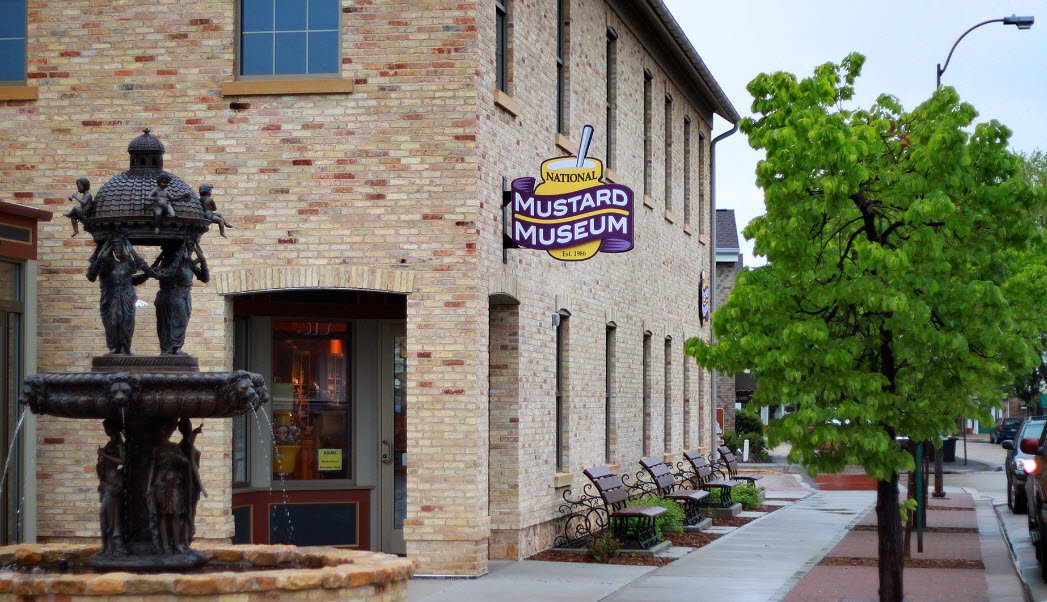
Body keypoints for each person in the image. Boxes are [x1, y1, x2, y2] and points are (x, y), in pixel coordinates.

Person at [86, 236, 149, 354]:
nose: (118, 250)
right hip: (113, 298)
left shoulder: (127, 264)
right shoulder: (109, 265)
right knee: (114, 321)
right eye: (115, 247)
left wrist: (128, 250)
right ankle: (115, 346)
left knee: (127, 322)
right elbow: (91, 275)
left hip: (127, 297)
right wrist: (107, 248)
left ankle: (125, 347)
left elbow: (139, 266)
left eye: (120, 247)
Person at [148, 238, 209, 355]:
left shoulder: (189, 264)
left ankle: (175, 348)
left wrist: (201, 258)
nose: (190, 252)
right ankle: (169, 349)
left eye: (192, 250)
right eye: (188, 249)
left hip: (181, 297)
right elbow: (157, 273)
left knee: (180, 323)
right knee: (168, 325)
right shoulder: (170, 263)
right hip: (171, 298)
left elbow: (205, 278)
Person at [147, 419, 191, 555]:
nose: (166, 433)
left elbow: (186, 462)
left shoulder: (174, 447)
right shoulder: (156, 449)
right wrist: (149, 486)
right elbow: (152, 469)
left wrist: (179, 458)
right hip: (160, 485)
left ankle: (177, 544)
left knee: (177, 514)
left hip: (175, 485)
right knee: (163, 516)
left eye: (168, 430)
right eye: (164, 430)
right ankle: (165, 546)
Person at [97, 418, 127, 556]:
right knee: (104, 515)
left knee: (110, 516)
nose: (105, 430)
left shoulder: (118, 443)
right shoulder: (111, 443)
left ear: (113, 428)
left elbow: (123, 461)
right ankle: (105, 546)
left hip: (115, 484)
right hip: (106, 484)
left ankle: (114, 545)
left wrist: (105, 455)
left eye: (107, 427)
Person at [178, 417, 207, 545]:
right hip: (189, 484)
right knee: (189, 511)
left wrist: (195, 433)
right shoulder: (186, 447)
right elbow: (194, 468)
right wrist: (202, 487)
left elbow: (189, 442)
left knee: (187, 511)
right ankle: (186, 537)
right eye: (189, 427)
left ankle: (185, 536)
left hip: (185, 484)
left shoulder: (181, 445)